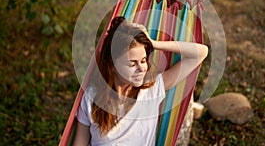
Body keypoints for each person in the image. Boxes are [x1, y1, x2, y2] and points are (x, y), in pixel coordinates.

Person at [73, 16, 208, 146]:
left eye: (143, 60)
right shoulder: (92, 97)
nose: (142, 68)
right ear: (112, 66)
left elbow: (201, 53)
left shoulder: (151, 90)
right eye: (132, 64)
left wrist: (154, 44)